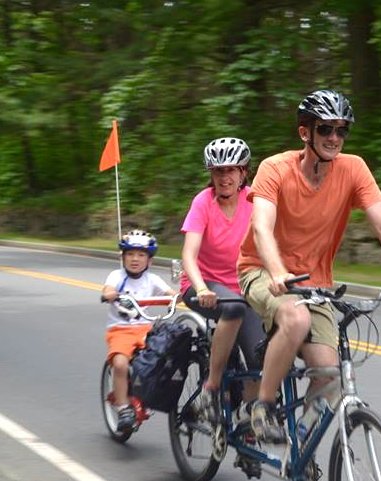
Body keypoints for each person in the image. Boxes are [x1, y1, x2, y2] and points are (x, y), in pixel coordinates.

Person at [237, 89, 381, 442]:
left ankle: (299, 447)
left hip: (314, 282)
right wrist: (278, 272)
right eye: (326, 129)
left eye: (342, 130)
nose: (334, 138)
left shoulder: (353, 168)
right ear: (305, 132)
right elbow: (262, 227)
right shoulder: (275, 168)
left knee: (329, 375)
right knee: (296, 319)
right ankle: (262, 407)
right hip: (262, 270)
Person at [180, 137, 266, 409]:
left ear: (243, 173)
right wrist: (202, 289)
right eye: (218, 171)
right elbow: (188, 255)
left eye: (230, 170)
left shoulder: (255, 200)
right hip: (202, 284)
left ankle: (249, 419)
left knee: (261, 359)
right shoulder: (203, 202)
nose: (224, 177)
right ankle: (212, 385)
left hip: (243, 288)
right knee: (234, 308)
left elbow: (272, 243)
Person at [102, 229, 177, 430]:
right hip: (121, 330)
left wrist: (176, 297)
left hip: (145, 329)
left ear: (149, 260)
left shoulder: (152, 279)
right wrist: (110, 294)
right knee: (120, 364)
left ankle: (149, 394)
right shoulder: (116, 276)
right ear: (123, 257)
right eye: (130, 254)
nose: (135, 259)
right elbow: (108, 289)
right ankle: (123, 408)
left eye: (141, 255)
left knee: (164, 359)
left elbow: (170, 293)